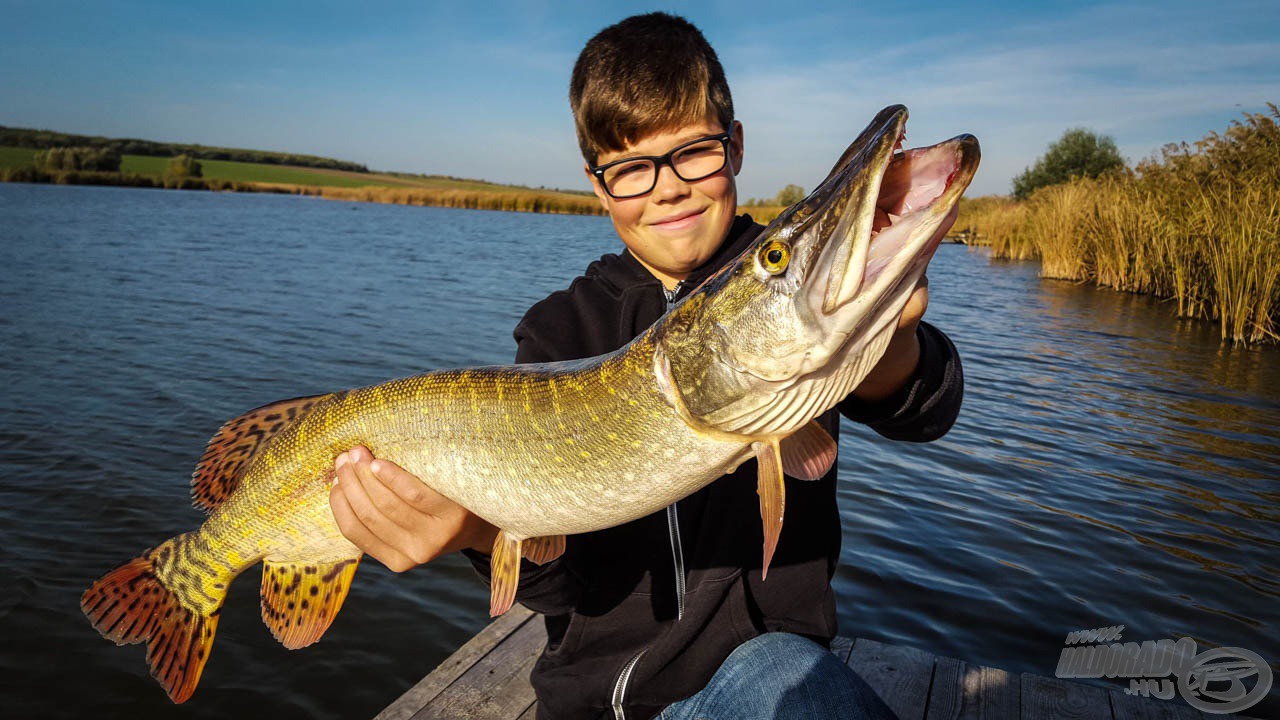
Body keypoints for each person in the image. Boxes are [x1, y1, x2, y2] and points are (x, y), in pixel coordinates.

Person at [329, 12, 963, 720]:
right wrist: (477, 532)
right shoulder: (558, 331)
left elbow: (928, 408)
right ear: (599, 185)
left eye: (693, 152)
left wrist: (890, 342)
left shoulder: (784, 324)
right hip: (593, 702)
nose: (668, 188)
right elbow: (557, 588)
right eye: (631, 168)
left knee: (796, 686)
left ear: (736, 147)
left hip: (765, 673)